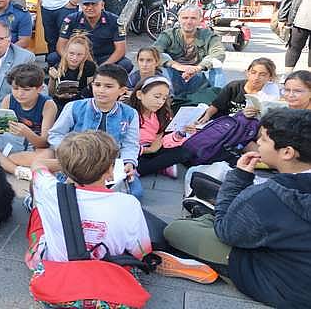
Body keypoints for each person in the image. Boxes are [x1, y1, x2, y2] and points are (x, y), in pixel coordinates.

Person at [163, 108, 311, 308]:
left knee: (176, 229)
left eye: (264, 139)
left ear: (287, 152)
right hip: (295, 262)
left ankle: (209, 247)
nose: (258, 142)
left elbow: (227, 232)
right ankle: (213, 211)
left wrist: (239, 176)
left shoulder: (271, 195)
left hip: (285, 285)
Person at [31, 131, 151, 262]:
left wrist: (71, 164)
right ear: (110, 171)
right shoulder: (129, 204)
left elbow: (37, 164)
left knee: (38, 210)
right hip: (105, 272)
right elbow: (141, 251)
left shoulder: (49, 190)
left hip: (57, 267)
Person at [48, 64, 142, 198]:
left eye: (108, 86)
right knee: (66, 194)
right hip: (78, 164)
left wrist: (129, 163)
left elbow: (130, 144)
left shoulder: (130, 114)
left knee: (135, 194)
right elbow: (55, 134)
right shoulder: (74, 107)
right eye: (97, 85)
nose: (101, 90)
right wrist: (70, 154)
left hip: (111, 166)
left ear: (122, 90)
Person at [0, 64, 57, 180]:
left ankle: (5, 162)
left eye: (26, 90)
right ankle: (18, 170)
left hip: (33, 146)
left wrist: (26, 132)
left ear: (39, 89)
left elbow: (44, 142)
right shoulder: (8, 99)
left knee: (49, 154)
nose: (20, 93)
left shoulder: (48, 105)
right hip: (10, 141)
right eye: (15, 89)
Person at [51, 0, 134, 73]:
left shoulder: (115, 21)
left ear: (102, 5)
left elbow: (120, 50)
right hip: (79, 57)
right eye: (86, 4)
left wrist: (103, 67)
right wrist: (72, 60)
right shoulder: (71, 19)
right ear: (80, 5)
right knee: (53, 58)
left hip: (105, 58)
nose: (90, 8)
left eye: (94, 4)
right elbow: (61, 46)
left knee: (126, 64)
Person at [153, 4, 226, 96]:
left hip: (198, 76)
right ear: (179, 19)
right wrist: (176, 65)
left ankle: (218, 99)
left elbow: (219, 53)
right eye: (185, 18)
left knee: (216, 65)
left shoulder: (208, 35)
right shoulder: (169, 34)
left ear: (200, 20)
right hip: (173, 76)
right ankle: (167, 98)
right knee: (161, 57)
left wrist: (197, 68)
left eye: (193, 18)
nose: (189, 22)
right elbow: (154, 51)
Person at [129, 76, 193, 178]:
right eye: (157, 96)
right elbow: (122, 144)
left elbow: (163, 141)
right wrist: (149, 150)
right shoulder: (128, 114)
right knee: (137, 161)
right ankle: (151, 168)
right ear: (140, 94)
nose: (160, 102)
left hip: (154, 149)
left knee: (185, 151)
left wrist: (181, 132)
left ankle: (158, 166)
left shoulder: (162, 115)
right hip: (134, 152)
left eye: (164, 98)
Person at [196, 58, 279, 124]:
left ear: (270, 77)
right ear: (248, 73)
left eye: (262, 74)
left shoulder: (269, 93)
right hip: (224, 121)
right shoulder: (234, 86)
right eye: (253, 72)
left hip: (247, 127)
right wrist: (207, 116)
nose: (256, 77)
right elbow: (216, 105)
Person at [47, 34, 97, 112]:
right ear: (66, 52)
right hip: (61, 101)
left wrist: (77, 95)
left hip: (81, 101)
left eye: (79, 55)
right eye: (71, 54)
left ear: (85, 55)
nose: (74, 58)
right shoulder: (58, 66)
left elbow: (90, 90)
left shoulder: (89, 67)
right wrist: (52, 78)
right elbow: (51, 93)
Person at [278, 0, 311, 72]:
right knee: (294, 48)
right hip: (302, 19)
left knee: (294, 48)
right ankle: (287, 76)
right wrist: (282, 17)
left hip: (302, 20)